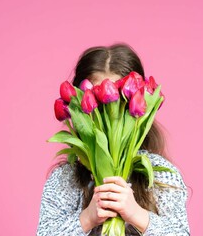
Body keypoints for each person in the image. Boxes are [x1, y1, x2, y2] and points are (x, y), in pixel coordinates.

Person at [37, 43, 191, 235]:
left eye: (120, 105)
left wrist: (137, 215)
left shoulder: (162, 176)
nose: (109, 116)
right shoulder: (65, 179)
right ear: (78, 108)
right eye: (98, 105)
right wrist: (87, 219)